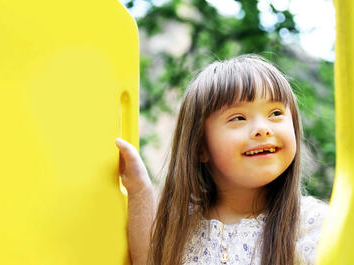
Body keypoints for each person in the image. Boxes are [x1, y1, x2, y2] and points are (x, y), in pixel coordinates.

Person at [115, 54, 330, 265]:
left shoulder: (312, 224)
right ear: (200, 146)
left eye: (275, 113)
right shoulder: (182, 227)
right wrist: (139, 190)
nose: (263, 129)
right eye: (239, 118)